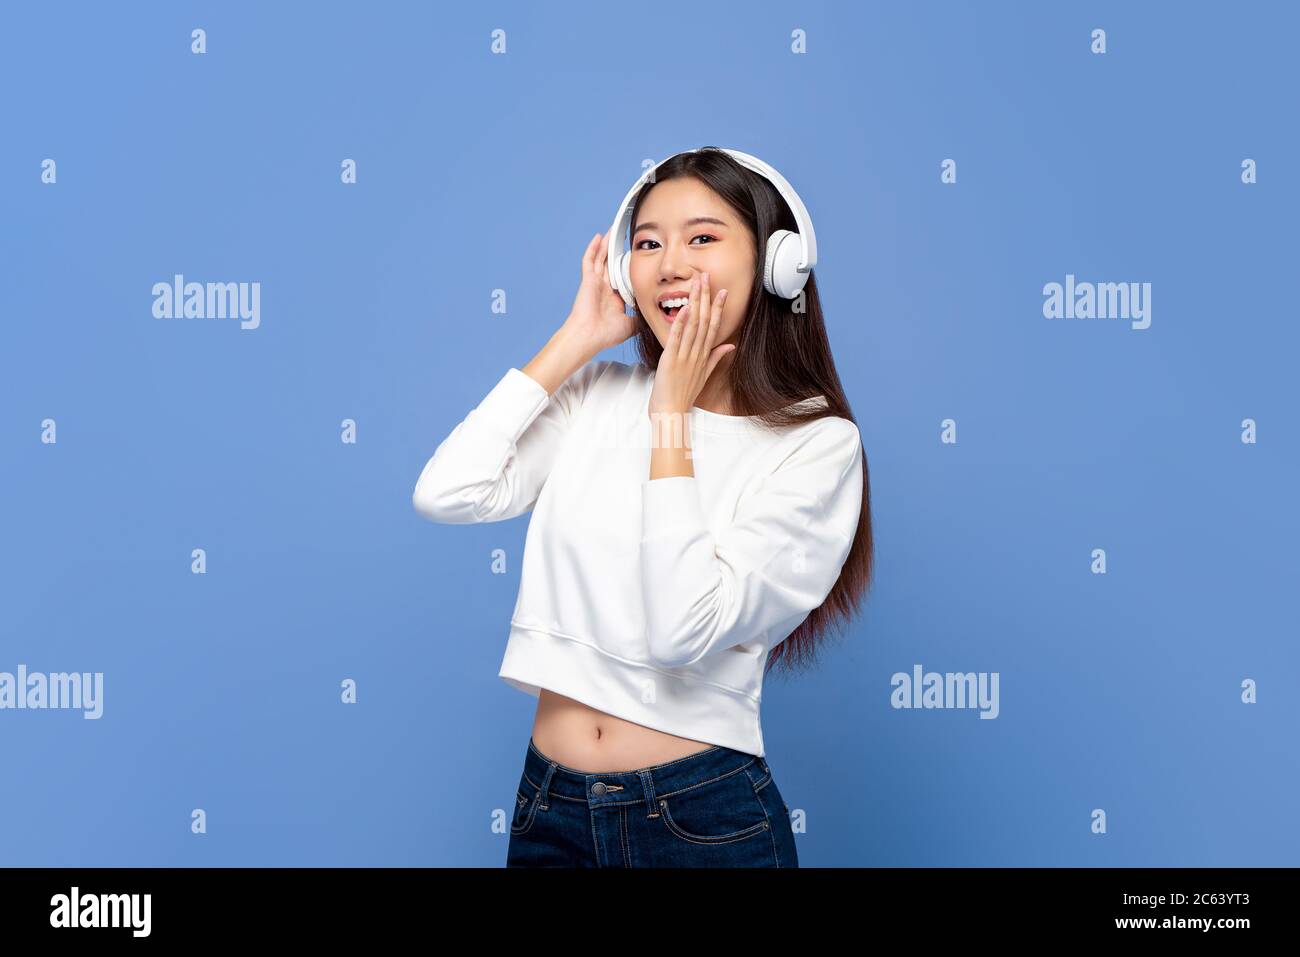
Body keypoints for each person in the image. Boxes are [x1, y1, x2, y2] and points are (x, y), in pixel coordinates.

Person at [413, 147, 873, 867]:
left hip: (701, 817)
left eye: (702, 237)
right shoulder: (599, 394)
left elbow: (680, 631)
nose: (668, 263)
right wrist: (575, 341)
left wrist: (671, 419)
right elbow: (447, 491)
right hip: (549, 805)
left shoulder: (818, 446)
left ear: (778, 264)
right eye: (649, 242)